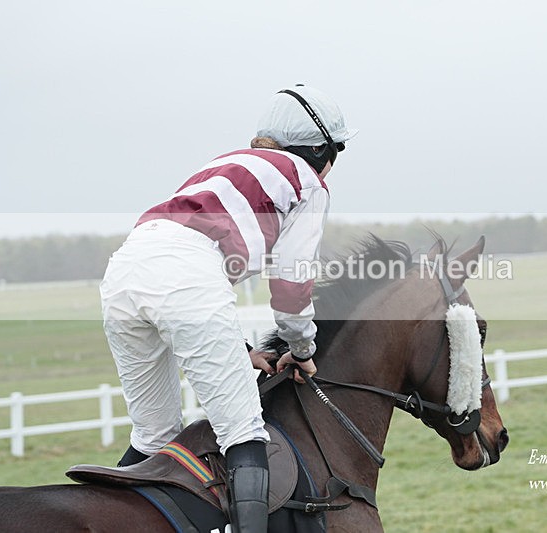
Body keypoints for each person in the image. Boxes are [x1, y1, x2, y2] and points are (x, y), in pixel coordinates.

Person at [99, 84, 357, 532]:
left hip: (125, 271)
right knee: (243, 434)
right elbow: (292, 285)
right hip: (186, 274)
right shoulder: (308, 182)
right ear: (321, 149)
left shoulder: (226, 163)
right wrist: (301, 347)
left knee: (153, 439)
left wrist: (241, 348)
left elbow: (177, 274)